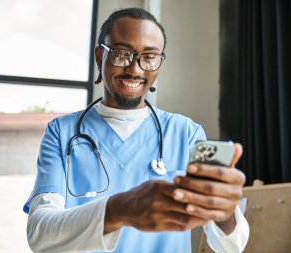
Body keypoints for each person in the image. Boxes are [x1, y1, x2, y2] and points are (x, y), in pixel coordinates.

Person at [24, 8, 249, 253]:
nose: (135, 69)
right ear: (100, 57)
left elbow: (233, 245)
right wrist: (120, 210)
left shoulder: (189, 133)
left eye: (149, 57)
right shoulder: (61, 132)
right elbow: (40, 234)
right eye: (122, 54)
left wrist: (224, 210)